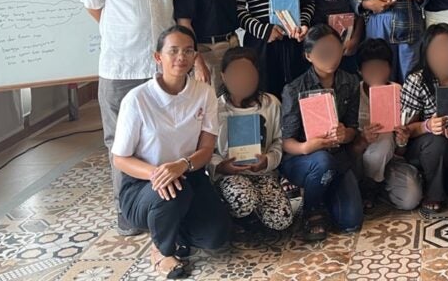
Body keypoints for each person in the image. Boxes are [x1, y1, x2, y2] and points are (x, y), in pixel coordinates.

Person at [81, 0, 188, 235]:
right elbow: (95, 7)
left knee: (168, 138)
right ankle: (128, 212)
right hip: (121, 66)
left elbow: (179, 5)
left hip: (167, 68)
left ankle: (166, 207)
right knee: (120, 143)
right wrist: (128, 33)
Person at [111, 26, 231, 278]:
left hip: (190, 173)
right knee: (174, 190)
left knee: (215, 238)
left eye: (188, 51)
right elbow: (120, 158)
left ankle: (173, 228)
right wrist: (159, 173)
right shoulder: (137, 99)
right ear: (158, 57)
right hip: (144, 186)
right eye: (173, 51)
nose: (181, 57)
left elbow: (207, 149)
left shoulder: (204, 93)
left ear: (195, 56)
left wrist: (182, 165)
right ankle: (162, 250)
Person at [279, 24, 362, 242]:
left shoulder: (351, 82)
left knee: (351, 222)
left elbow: (353, 129)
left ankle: (325, 195)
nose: (330, 57)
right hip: (302, 158)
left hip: (338, 156)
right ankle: (311, 209)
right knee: (322, 161)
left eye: (334, 50)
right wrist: (307, 147)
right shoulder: (294, 89)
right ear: (308, 56)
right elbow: (286, 142)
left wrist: (346, 134)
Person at [212, 47, 293, 234]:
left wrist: (268, 160)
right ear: (224, 76)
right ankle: (237, 216)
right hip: (229, 176)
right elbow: (207, 150)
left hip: (262, 174)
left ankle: (256, 214)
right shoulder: (215, 108)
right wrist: (221, 166)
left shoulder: (271, 103)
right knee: (243, 199)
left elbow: (280, 140)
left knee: (281, 220)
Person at [400, 23, 448, 212]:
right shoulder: (417, 80)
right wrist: (428, 126)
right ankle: (434, 194)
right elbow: (404, 130)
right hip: (427, 146)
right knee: (437, 142)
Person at [353, 38, 423, 211]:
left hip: (392, 160)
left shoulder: (399, 92)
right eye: (370, 68)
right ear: (360, 71)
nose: (376, 73)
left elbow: (400, 152)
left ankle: (380, 188)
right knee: (381, 140)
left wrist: (402, 140)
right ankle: (368, 188)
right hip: (360, 159)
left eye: (381, 67)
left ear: (390, 69)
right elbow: (351, 147)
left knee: (410, 200)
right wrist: (363, 139)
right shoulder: (353, 93)